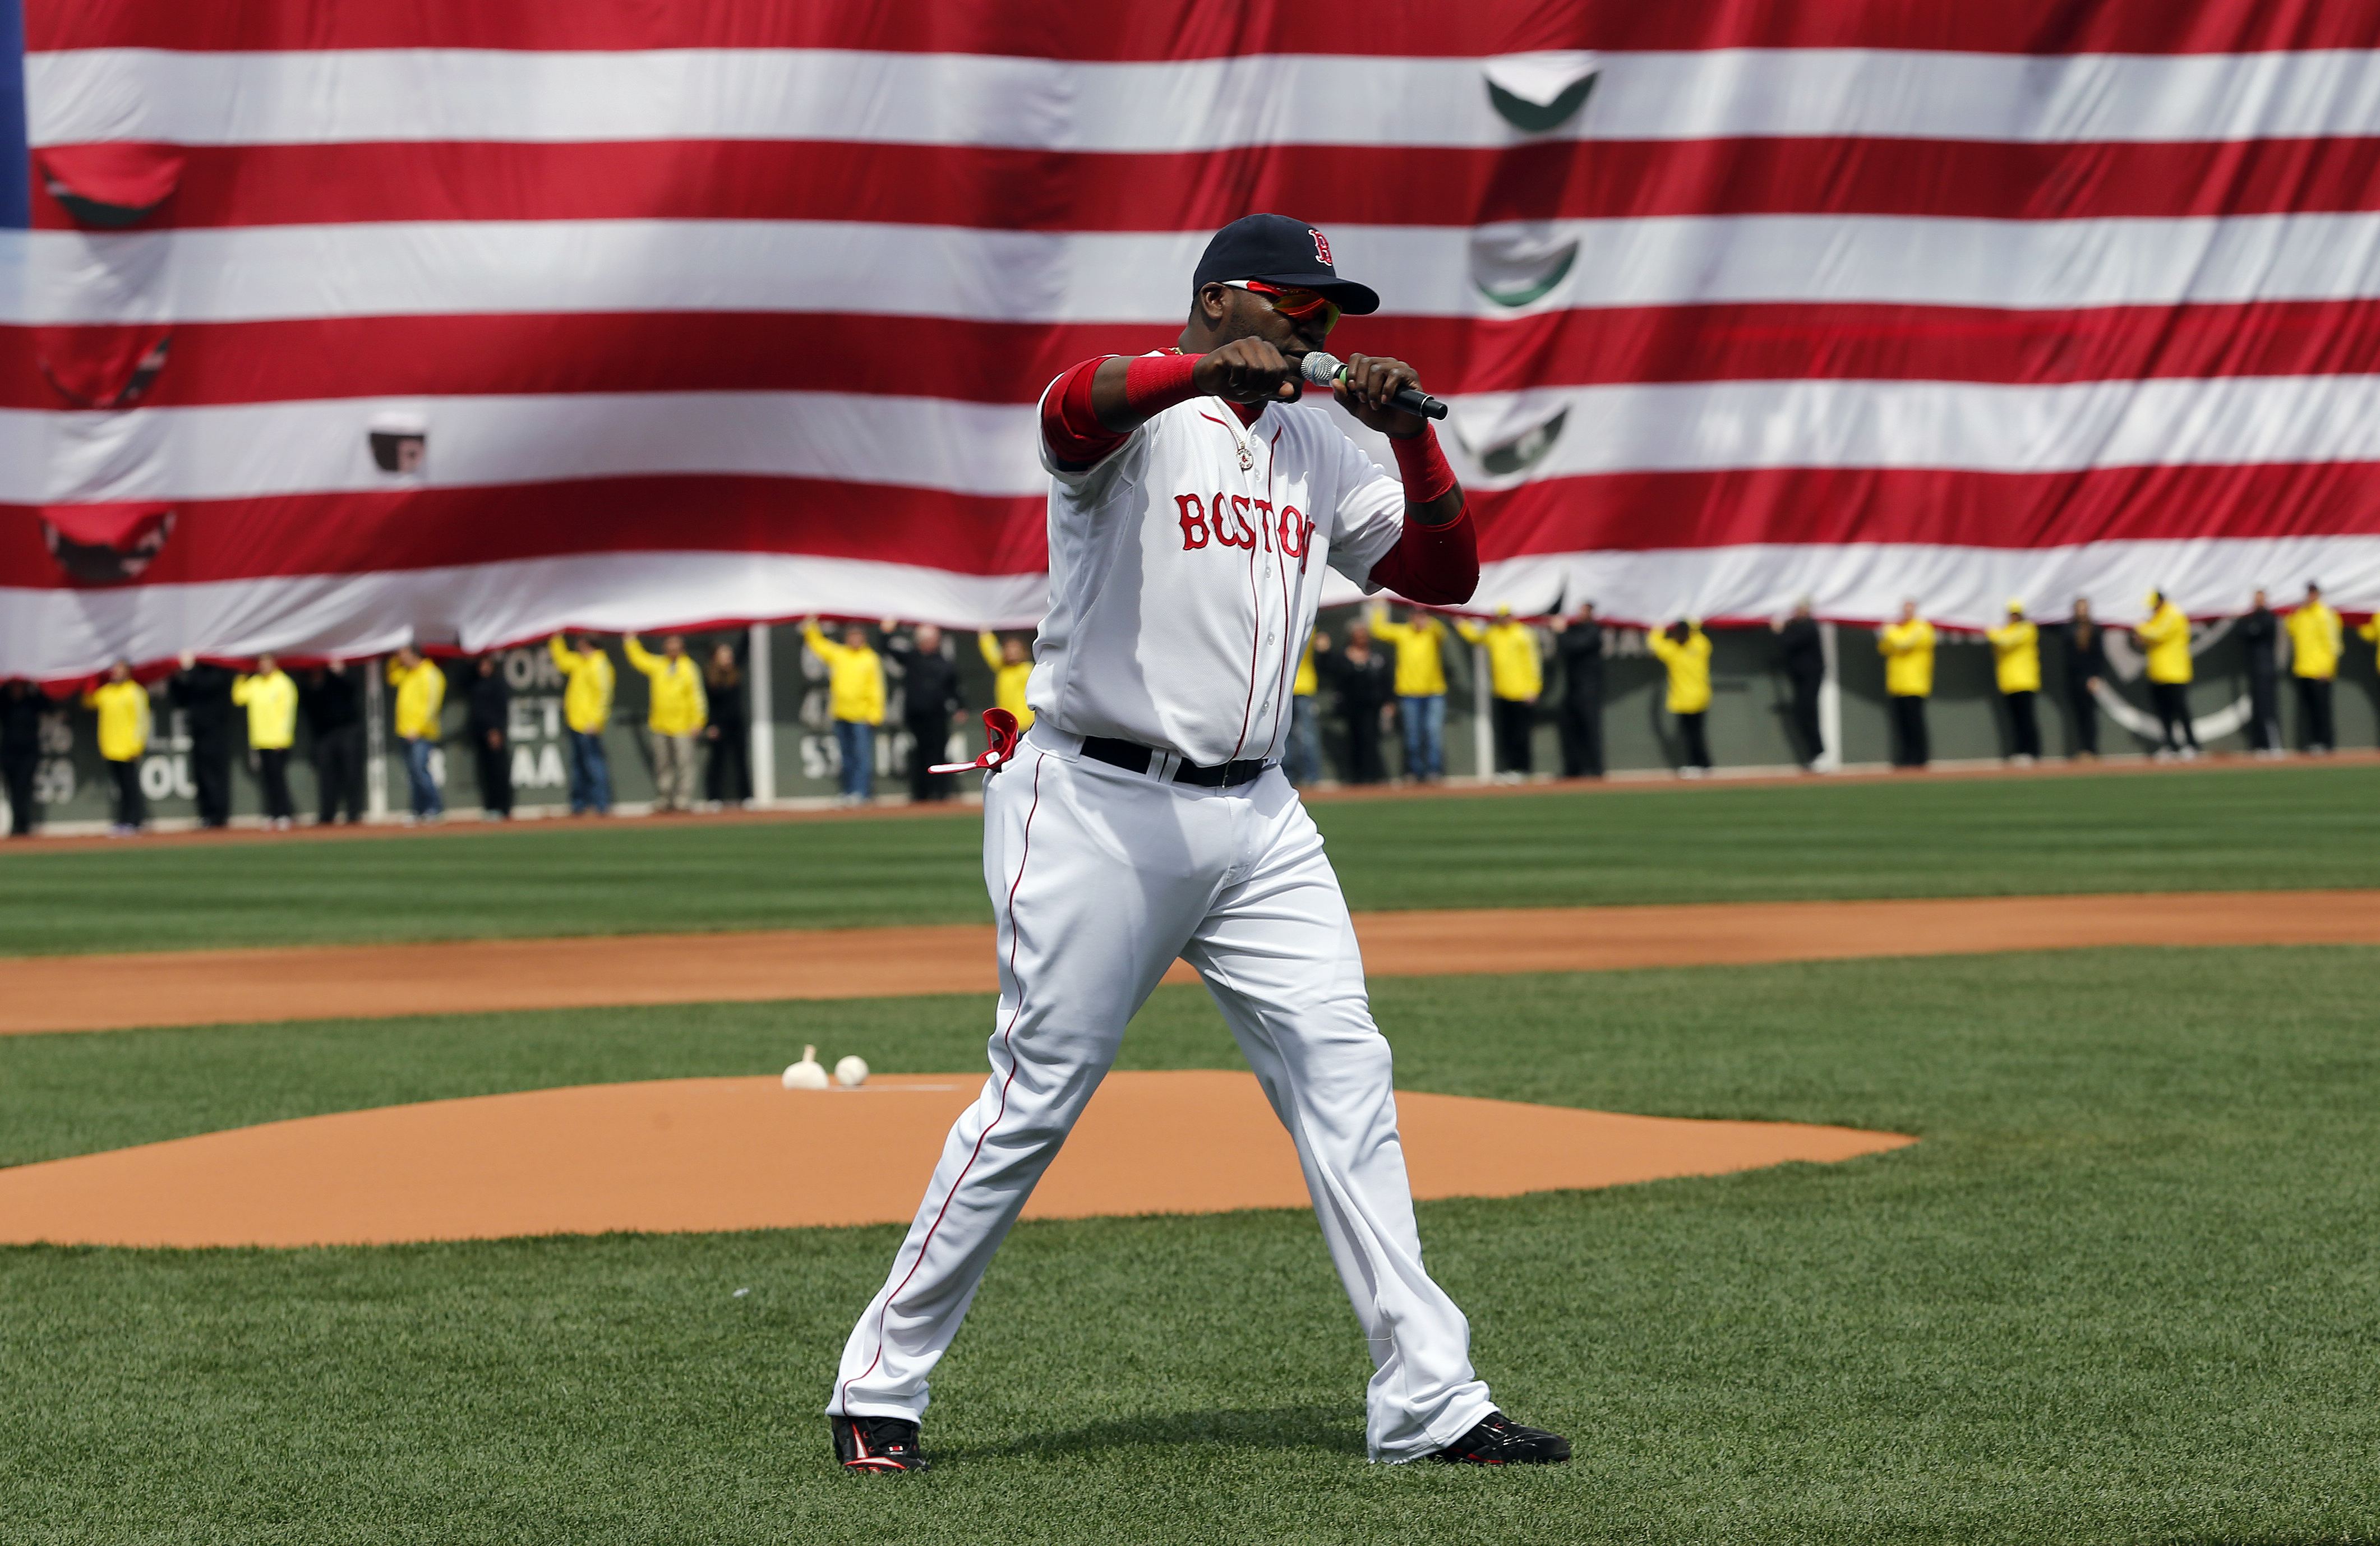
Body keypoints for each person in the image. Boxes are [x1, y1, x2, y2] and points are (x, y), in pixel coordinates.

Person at [828, 213, 1564, 1473]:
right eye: (1295, 305)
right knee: (1034, 1099)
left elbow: (1445, 578)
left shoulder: (1324, 442)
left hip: (1259, 814)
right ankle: (879, 1383)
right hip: (1096, 801)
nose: (1318, 329)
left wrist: (1411, 435)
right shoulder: (1140, 419)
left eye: (1330, 314)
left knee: (1346, 1073)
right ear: (1221, 301)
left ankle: (1431, 1400)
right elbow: (1069, 407)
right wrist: (1202, 374)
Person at [1455, 606, 1543, 779]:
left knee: (1521, 733)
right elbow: (1476, 637)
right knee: (1507, 733)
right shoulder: (1494, 633)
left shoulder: (1522, 634)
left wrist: (1533, 688)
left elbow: (1533, 663)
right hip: (1502, 691)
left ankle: (1523, 768)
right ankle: (1510, 768)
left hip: (1521, 692)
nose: (1504, 620)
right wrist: (1461, 624)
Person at [805, 617, 885, 805]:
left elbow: (877, 689)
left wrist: (875, 714)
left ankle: (862, 793)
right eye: (852, 636)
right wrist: (811, 625)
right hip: (840, 714)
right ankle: (849, 791)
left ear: (864, 638)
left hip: (861, 716)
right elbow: (819, 645)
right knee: (846, 757)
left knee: (861, 757)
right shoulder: (840, 654)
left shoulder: (870, 658)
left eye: (858, 636)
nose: (855, 639)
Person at [624, 633, 707, 813]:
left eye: (675, 645)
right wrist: (630, 641)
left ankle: (683, 799)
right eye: (669, 645)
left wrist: (698, 721)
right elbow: (639, 660)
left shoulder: (689, 668)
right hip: (660, 724)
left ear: (682, 647)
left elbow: (697, 697)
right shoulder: (659, 665)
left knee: (685, 763)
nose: (672, 649)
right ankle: (665, 798)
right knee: (663, 764)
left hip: (683, 725)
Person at [1369, 602, 1449, 782]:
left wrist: (1430, 621)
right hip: (1409, 693)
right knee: (1412, 735)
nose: (1418, 618)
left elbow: (1442, 632)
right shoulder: (1403, 633)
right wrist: (1379, 608)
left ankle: (1434, 771)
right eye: (1415, 614)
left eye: (1421, 615)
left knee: (1433, 733)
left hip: (1434, 692)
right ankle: (1415, 771)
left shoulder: (1433, 632)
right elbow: (1378, 630)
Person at [1317, 623, 1395, 784]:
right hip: (1351, 706)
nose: (1361, 638)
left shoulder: (1377, 657)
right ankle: (1356, 777)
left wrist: (1389, 701)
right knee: (1354, 740)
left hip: (1372, 705)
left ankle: (1372, 775)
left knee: (1371, 740)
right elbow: (1329, 670)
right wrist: (1323, 652)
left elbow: (1386, 681)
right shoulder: (1343, 657)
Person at [892, 626, 961, 804]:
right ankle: (920, 793)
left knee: (938, 753)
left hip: (937, 715)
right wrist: (887, 631)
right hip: (916, 715)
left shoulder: (943, 662)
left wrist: (960, 707)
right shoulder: (912, 658)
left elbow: (954, 687)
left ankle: (940, 792)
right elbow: (889, 648)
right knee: (919, 754)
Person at [167, 653, 237, 828]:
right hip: (197, 731)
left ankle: (219, 814)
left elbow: (207, 686)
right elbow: (181, 698)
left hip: (216, 732)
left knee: (216, 773)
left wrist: (190, 671)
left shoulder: (220, 672)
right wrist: (175, 676)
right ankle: (206, 813)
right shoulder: (195, 674)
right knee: (201, 773)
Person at [548, 634, 616, 815]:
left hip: (589, 725)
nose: (578, 646)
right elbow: (562, 661)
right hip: (575, 722)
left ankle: (601, 804)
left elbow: (604, 696)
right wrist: (556, 639)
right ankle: (579, 804)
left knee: (593, 764)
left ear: (587, 644)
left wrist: (596, 721)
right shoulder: (581, 662)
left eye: (580, 643)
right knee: (578, 766)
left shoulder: (599, 664)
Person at [82, 661, 150, 836]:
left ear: (128, 672)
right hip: (110, 748)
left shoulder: (135, 692)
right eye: (114, 670)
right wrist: (91, 680)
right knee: (120, 789)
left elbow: (142, 721)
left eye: (119, 670)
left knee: (130, 787)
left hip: (127, 749)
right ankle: (123, 821)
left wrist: (137, 746)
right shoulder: (108, 692)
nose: (115, 673)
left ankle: (135, 821)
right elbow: (90, 702)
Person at [232, 654, 299, 828]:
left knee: (278, 779)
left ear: (274, 664)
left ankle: (284, 813)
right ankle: (273, 813)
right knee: (268, 780)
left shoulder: (284, 684)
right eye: (261, 663)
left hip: (277, 742)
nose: (263, 667)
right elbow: (239, 698)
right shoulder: (255, 683)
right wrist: (241, 676)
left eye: (266, 663)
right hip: (260, 740)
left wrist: (282, 739)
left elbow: (288, 714)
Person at [298, 663, 366, 824]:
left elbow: (353, 688)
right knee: (326, 777)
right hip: (323, 734)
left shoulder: (340, 677)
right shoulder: (308, 684)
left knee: (352, 773)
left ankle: (354, 814)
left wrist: (340, 672)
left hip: (347, 730)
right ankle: (327, 815)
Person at [1646, 618, 1713, 776]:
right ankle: (1703, 764)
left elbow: (1655, 641)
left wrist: (1661, 622)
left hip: (1695, 698)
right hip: (1685, 699)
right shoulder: (1677, 649)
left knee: (1693, 734)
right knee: (1692, 734)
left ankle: (1697, 764)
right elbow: (1655, 645)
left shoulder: (1694, 646)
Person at [2135, 589, 2198, 758]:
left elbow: (2157, 633)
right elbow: (2149, 636)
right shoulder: (2157, 618)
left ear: (2160, 602)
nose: (2152, 610)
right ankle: (2170, 745)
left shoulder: (2173, 614)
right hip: (2158, 672)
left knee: (2181, 710)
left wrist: (2139, 626)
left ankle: (2192, 744)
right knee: (2164, 713)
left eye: (2154, 606)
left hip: (2176, 672)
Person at [386, 647, 446, 821]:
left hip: (422, 733)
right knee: (413, 773)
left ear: (414, 655)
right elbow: (392, 677)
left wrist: (418, 728)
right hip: (405, 731)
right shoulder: (407, 673)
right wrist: (396, 660)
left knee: (420, 770)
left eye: (404, 655)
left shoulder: (431, 673)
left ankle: (434, 808)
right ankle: (418, 810)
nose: (401, 658)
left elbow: (432, 705)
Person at [1550, 600, 1604, 778]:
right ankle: (1574, 769)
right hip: (1573, 689)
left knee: (1590, 728)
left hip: (1589, 689)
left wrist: (1561, 632)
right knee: (1571, 729)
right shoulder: (1575, 629)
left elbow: (1572, 646)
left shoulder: (1593, 631)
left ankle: (1596, 770)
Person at [2285, 583, 2341, 754]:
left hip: (2320, 670)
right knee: (2310, 710)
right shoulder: (2302, 614)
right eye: (2308, 593)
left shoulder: (2325, 614)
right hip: (2304, 669)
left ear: (2318, 594)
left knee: (2322, 709)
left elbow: (2333, 645)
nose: (2310, 597)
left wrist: (2327, 668)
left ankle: (2326, 743)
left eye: (2313, 593)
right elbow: (2291, 629)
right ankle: (2316, 742)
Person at [1985, 600, 2042, 764]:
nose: (2014, 617)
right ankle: (2020, 751)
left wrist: (1990, 631)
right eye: (2012, 614)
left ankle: (2032, 751)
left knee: (2027, 719)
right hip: (2008, 683)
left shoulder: (2027, 629)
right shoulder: (2005, 630)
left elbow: (2006, 641)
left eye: (2016, 614)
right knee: (2015, 720)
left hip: (2025, 681)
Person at [1879, 601, 1934, 769]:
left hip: (1914, 684)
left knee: (1914, 722)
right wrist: (1891, 632)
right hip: (1897, 684)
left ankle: (1920, 757)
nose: (1906, 613)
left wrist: (1889, 630)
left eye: (1909, 610)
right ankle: (1906, 757)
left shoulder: (1922, 627)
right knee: (1902, 724)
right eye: (1904, 610)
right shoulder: (1899, 629)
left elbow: (1904, 643)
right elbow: (1884, 648)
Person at [1772, 599, 1825, 769]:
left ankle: (1818, 754)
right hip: (1798, 677)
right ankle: (1814, 754)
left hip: (1810, 676)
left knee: (1808, 711)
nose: (1797, 612)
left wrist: (1779, 631)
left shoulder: (1809, 627)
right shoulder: (1795, 626)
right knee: (1802, 713)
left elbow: (1788, 642)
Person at [703, 643, 753, 807]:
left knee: (741, 762)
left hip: (737, 724)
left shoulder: (735, 671)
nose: (728, 658)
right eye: (724, 654)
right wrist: (711, 725)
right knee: (717, 763)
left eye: (729, 654)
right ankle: (714, 798)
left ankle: (746, 797)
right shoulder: (710, 677)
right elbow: (707, 704)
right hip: (719, 727)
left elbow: (745, 647)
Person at [465, 654, 513, 819]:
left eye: (487, 664)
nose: (484, 668)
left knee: (498, 771)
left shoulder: (498, 683)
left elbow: (502, 709)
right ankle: (491, 806)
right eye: (481, 665)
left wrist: (497, 730)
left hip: (494, 732)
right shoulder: (475, 682)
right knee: (485, 773)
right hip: (479, 732)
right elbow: (460, 680)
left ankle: (503, 808)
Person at [2237, 590, 2283, 756]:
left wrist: (2250, 628)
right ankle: (2260, 744)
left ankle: (2274, 744)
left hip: (2266, 669)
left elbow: (2254, 631)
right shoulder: (2251, 618)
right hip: (2254, 670)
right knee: (2257, 708)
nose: (2258, 602)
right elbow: (2243, 632)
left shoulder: (2269, 618)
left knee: (2267, 708)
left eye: (2260, 599)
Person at [2064, 599, 2107, 759]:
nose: (2081, 612)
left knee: (2089, 715)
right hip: (2072, 678)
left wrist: (2096, 677)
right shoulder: (2068, 628)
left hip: (2088, 678)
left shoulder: (2094, 630)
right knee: (2078, 715)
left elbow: (2099, 657)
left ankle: (2091, 749)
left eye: (2084, 609)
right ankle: (2083, 749)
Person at [2, 679, 45, 837]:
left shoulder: (32, 701)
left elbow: (46, 705)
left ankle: (24, 823)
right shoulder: (5, 702)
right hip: (9, 753)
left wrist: (35, 687)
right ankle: (16, 824)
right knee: (12, 790)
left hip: (29, 753)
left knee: (24, 787)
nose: (17, 690)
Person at [1283, 634, 1324, 785]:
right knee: (1283, 736)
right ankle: (1286, 775)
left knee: (1308, 735)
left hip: (1304, 688)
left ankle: (1312, 776)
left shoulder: (1309, 627)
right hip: (1283, 690)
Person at [976, 631, 1036, 732]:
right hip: (1006, 724)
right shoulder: (1002, 669)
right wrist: (985, 634)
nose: (1012, 653)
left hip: (1025, 724)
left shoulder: (1027, 669)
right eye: (1009, 649)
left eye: (1016, 650)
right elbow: (991, 651)